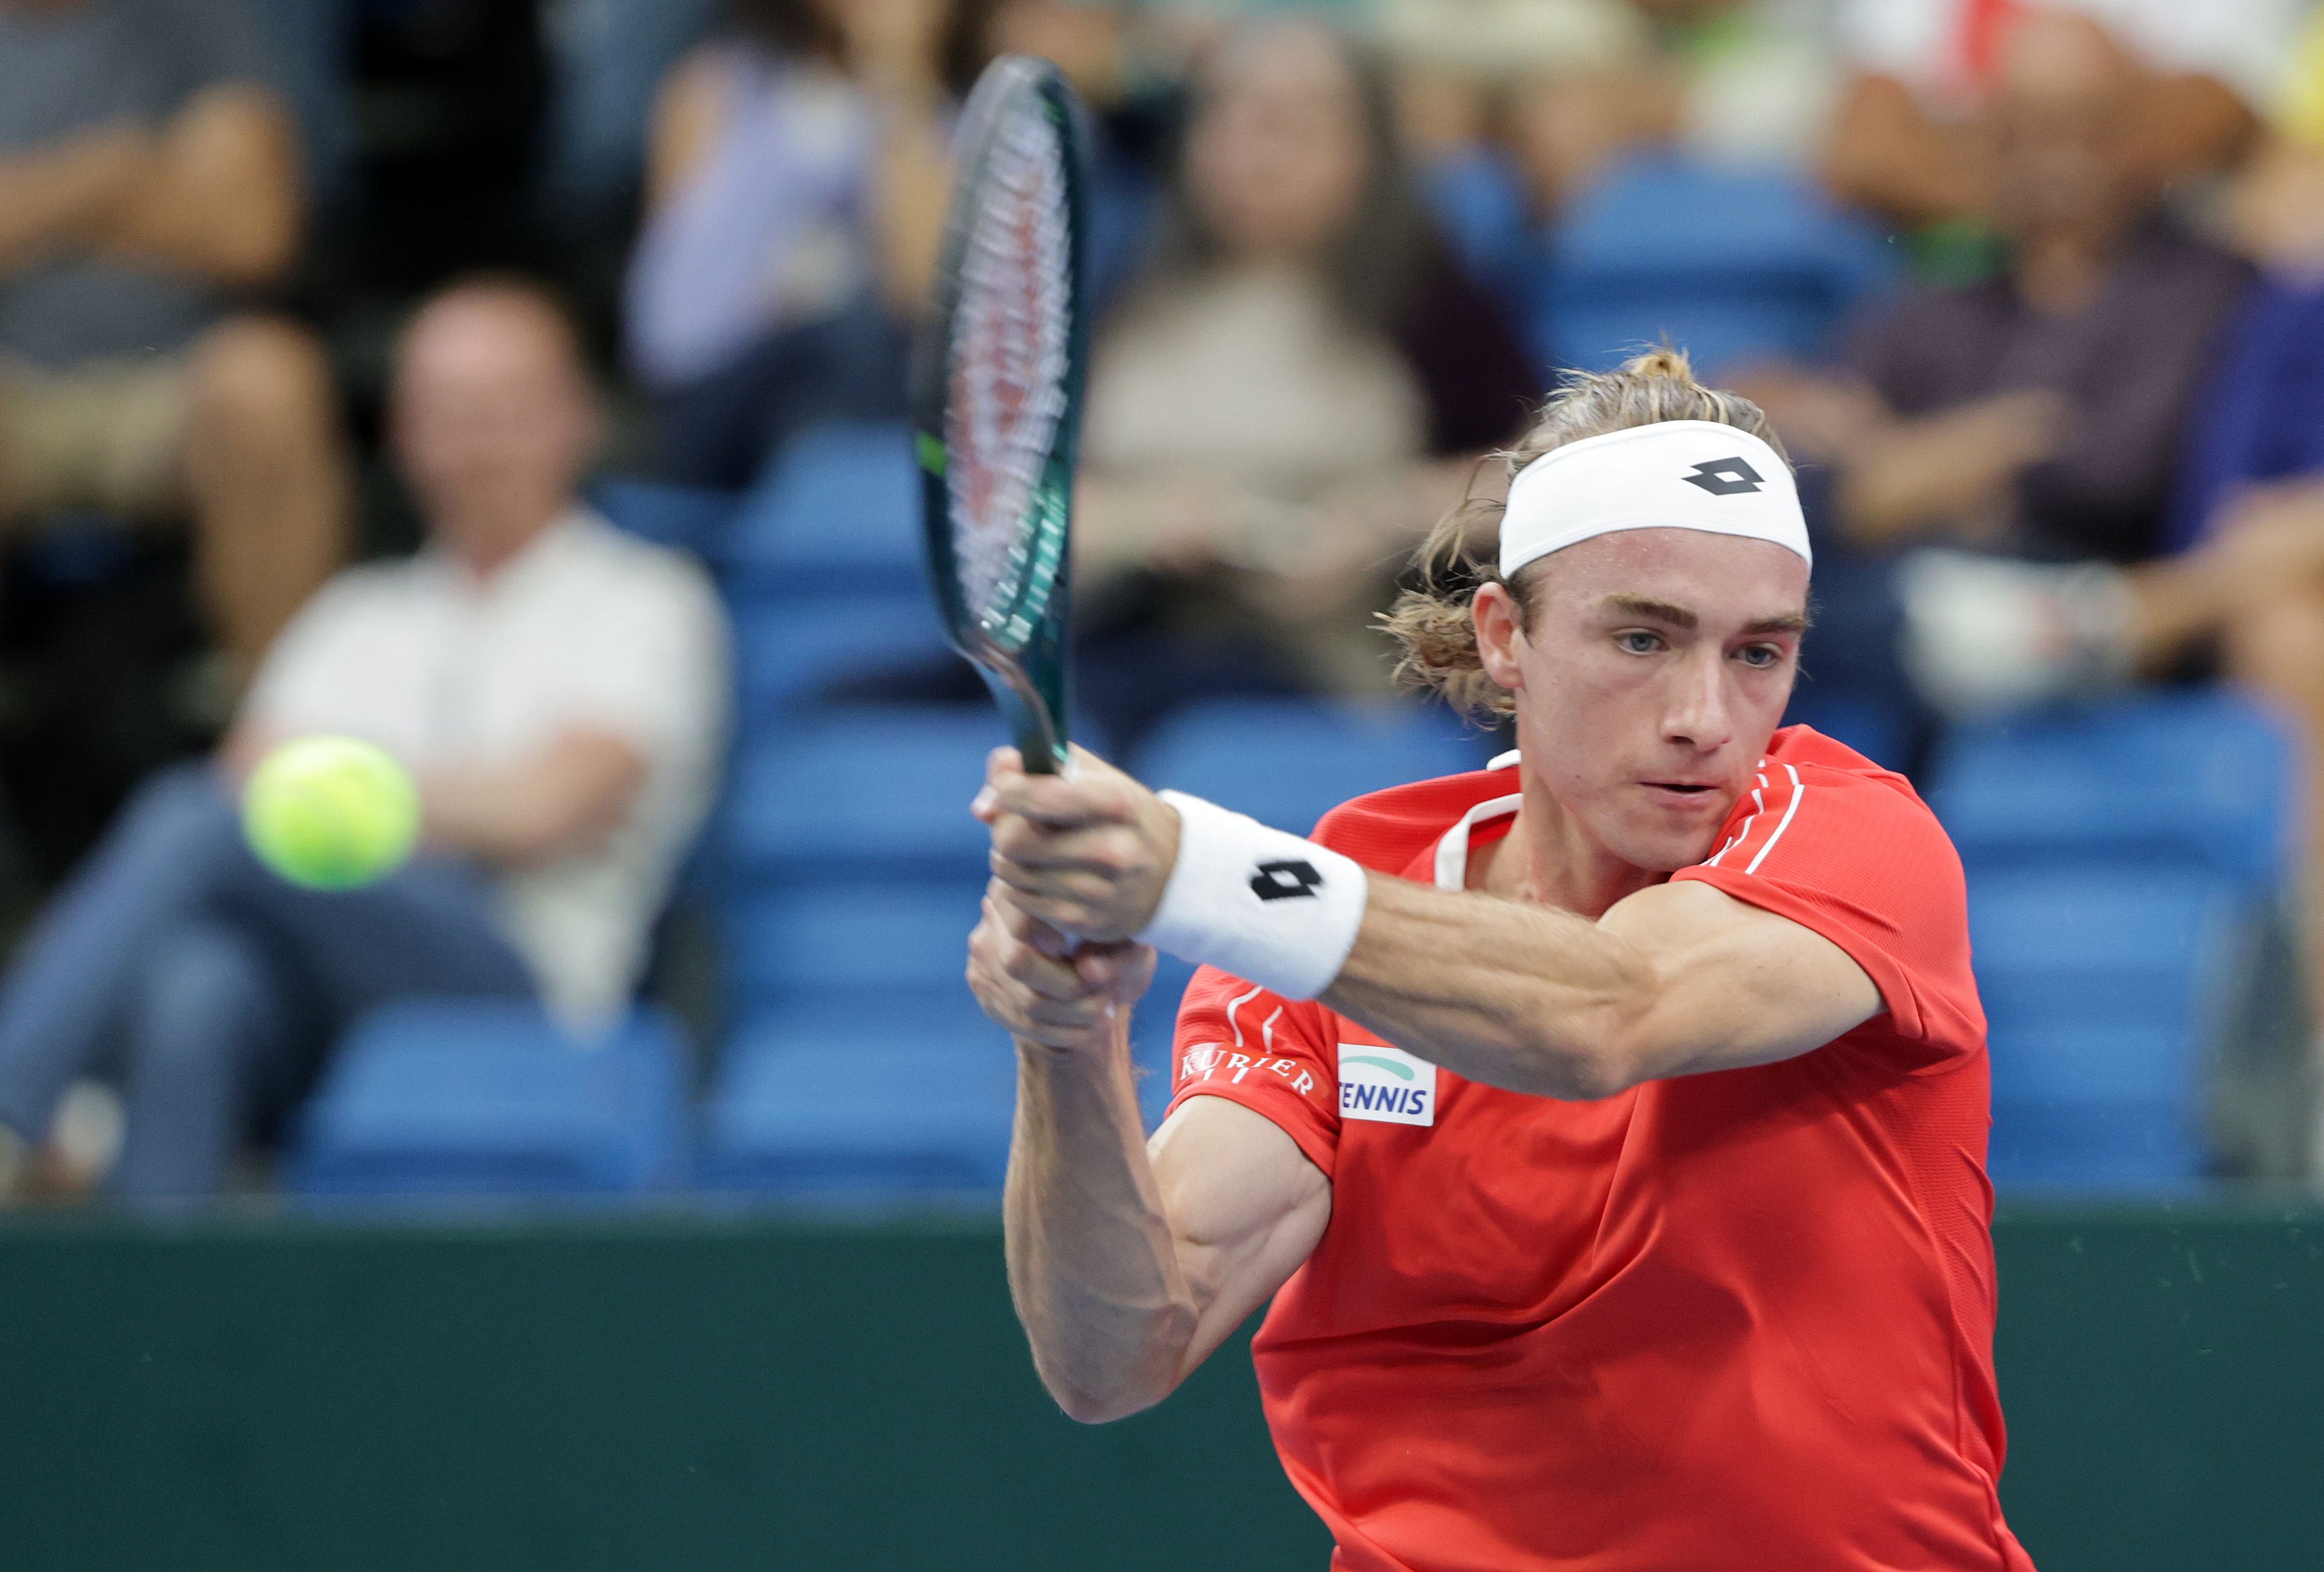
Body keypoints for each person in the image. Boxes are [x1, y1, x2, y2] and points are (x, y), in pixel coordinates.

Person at [964, 350, 2032, 1570]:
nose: (1703, 717)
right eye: (1643, 639)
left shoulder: (1855, 836)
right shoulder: (1352, 892)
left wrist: (1195, 876)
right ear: (1504, 636)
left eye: (1756, 654)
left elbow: (1610, 1013)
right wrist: (1066, 1039)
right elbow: (1116, 1353)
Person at [0, 278, 730, 1204]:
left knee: (197, 819)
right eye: (450, 413)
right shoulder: (355, 614)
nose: (479, 443)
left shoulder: (649, 598)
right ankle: (152, 1279)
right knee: (199, 983)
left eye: (507, 408)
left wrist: (332, 797)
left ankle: (14, 1108)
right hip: (321, 985)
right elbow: (254, 779)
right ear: (405, 435)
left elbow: (548, 806)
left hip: (529, 984)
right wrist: (439, 804)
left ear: (579, 418)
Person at [1071, 18, 1538, 744]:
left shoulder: (1428, 302)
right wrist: (1145, 523)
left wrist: (1377, 518)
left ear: (1368, 147)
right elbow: (1037, 498)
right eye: (1230, 114)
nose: (1257, 152)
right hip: (1116, 632)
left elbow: (1532, 470)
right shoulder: (1132, 290)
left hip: (1318, 664)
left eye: (1295, 123)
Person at [0, 0, 349, 676]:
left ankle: (279, 715)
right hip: (12, 385)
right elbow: (196, 206)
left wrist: (27, 210)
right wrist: (109, 177)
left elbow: (252, 234)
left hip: (173, 380)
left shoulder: (196, 19)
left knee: (269, 384)